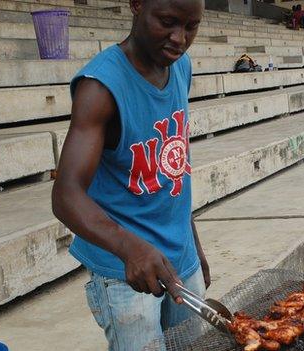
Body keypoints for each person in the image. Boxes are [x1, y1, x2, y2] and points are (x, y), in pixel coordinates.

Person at [51, 0, 211, 350]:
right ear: (137, 4)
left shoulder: (180, 67)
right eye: (167, 22)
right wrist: (129, 248)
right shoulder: (101, 87)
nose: (179, 39)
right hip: (124, 269)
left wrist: (193, 245)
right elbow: (66, 195)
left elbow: (171, 170)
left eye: (191, 27)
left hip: (179, 258)